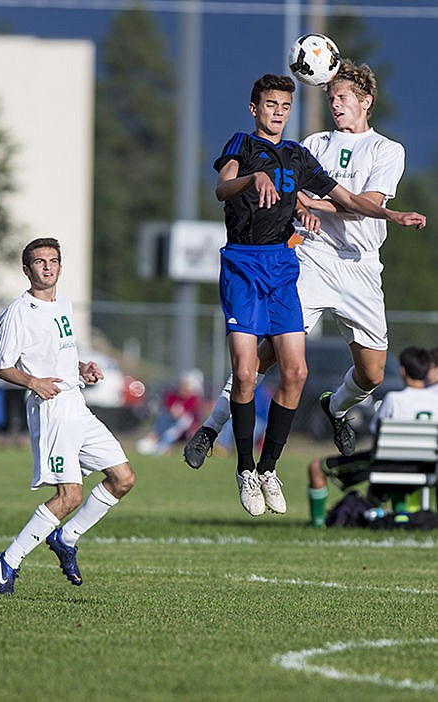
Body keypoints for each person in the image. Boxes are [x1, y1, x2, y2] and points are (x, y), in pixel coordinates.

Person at [197, 71, 425, 518]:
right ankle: (212, 428)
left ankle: (336, 408)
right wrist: (299, 203)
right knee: (267, 357)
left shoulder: (386, 149)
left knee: (373, 373)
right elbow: (291, 186)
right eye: (331, 97)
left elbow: (361, 203)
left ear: (366, 101)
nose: (336, 104)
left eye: (343, 97)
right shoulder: (315, 143)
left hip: (359, 268)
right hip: (311, 258)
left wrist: (376, 212)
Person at [0, 237, 135, 594]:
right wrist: (33, 381)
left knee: (123, 478)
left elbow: (60, 353)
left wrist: (82, 368)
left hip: (77, 405)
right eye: (39, 262)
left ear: (60, 266)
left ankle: (66, 538)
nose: (47, 267)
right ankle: (7, 561)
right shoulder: (19, 312)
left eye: (53, 260)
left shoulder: (64, 304)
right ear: (27, 270)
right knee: (69, 496)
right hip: (50, 409)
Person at [307, 346, 438, 526]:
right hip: (425, 465)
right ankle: (396, 516)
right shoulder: (435, 399)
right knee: (377, 491)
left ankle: (318, 524)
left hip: (387, 463)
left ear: (403, 371)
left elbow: (375, 430)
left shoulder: (393, 398)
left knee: (317, 467)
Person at [136, 369, 203, 455]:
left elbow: (194, 419)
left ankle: (162, 445)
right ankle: (153, 438)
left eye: (186, 386)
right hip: (169, 423)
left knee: (184, 420)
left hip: (183, 430)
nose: (183, 388)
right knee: (164, 416)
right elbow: (168, 409)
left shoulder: (194, 399)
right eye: (182, 385)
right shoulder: (172, 396)